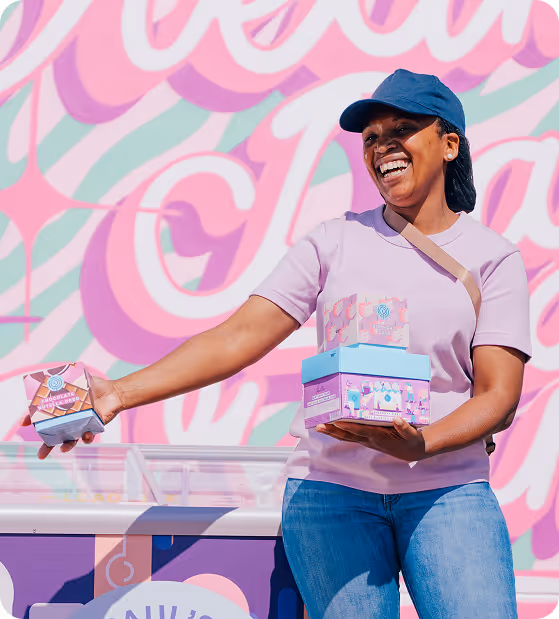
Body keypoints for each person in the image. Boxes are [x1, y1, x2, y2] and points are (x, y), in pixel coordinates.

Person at [22, 69, 530, 618]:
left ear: (449, 143)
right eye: (371, 138)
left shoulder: (492, 258)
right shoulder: (334, 240)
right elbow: (237, 337)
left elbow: (497, 395)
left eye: (402, 129)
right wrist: (115, 394)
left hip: (449, 493)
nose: (384, 147)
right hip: (331, 495)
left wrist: (422, 443)